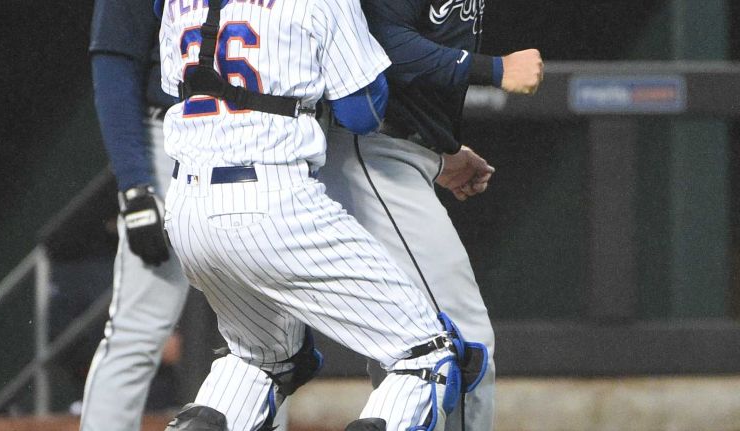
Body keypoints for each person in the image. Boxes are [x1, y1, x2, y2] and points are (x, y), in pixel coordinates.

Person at [157, 0, 488, 430]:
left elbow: (179, 87)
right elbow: (361, 112)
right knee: (426, 357)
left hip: (186, 205)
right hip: (272, 199)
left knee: (262, 360)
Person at [319, 1, 544, 430]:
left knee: (409, 349)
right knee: (462, 339)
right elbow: (384, 45)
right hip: (369, 152)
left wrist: (440, 150)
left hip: (389, 153)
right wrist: (495, 70)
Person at [80, 1, 191, 430]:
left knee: (270, 335)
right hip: (166, 139)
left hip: (254, 139)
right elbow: (113, 64)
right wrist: (134, 185)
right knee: (140, 329)